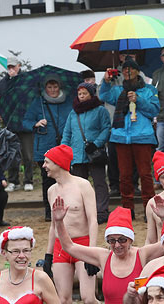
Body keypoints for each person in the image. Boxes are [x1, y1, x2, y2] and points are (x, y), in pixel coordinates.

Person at [52, 200, 164, 304]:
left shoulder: (142, 255)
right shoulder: (103, 257)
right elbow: (69, 247)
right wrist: (59, 221)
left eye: (122, 240)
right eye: (112, 240)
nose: (117, 245)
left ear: (130, 239)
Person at [41, 145, 102, 304]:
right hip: (61, 245)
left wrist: (92, 253)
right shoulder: (51, 190)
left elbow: (93, 220)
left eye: (47, 162)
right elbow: (53, 225)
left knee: (88, 299)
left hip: (82, 244)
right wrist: (48, 255)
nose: (44, 166)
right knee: (64, 301)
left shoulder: (83, 185)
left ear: (58, 163)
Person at [99, 58, 159, 217]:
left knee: (145, 174)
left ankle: (149, 209)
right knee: (124, 176)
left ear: (137, 71)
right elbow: (103, 94)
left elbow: (154, 110)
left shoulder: (148, 90)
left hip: (142, 137)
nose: (128, 71)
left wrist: (138, 100)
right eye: (125, 69)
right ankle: (127, 209)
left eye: (131, 69)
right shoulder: (118, 90)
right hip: (120, 137)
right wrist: (105, 81)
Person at [22, 74, 73, 221]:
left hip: (63, 146)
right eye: (49, 87)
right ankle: (49, 210)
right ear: (45, 88)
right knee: (48, 180)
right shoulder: (38, 103)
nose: (52, 90)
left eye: (55, 86)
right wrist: (35, 123)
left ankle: (67, 208)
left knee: (65, 179)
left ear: (60, 87)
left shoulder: (68, 102)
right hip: (45, 147)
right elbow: (25, 121)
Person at [61, 82, 111, 224]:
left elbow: (106, 128)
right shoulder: (73, 113)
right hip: (76, 154)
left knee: (99, 182)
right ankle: (80, 210)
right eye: (79, 93)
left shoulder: (100, 110)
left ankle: (102, 210)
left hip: (94, 153)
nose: (81, 96)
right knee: (77, 185)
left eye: (84, 93)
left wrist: (96, 144)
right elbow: (67, 133)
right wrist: (63, 150)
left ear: (91, 94)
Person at [0, 56, 34, 193]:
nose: (11, 69)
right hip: (10, 125)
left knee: (28, 155)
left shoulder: (27, 81)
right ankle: (13, 180)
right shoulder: (2, 84)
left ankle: (29, 180)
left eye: (13, 66)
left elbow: (32, 99)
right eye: (9, 67)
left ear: (19, 65)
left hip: (26, 124)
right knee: (11, 154)